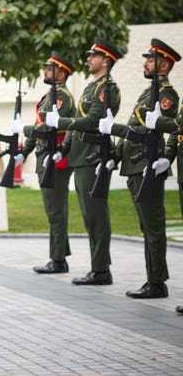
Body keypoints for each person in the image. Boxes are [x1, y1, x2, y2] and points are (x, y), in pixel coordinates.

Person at [101, 38, 180, 299]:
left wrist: (115, 128)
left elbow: (149, 130)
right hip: (135, 164)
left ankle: (157, 282)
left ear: (164, 64)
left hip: (148, 164)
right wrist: (117, 154)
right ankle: (152, 279)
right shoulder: (148, 93)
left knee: (153, 226)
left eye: (150, 59)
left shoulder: (167, 94)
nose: (145, 63)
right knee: (146, 226)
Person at [45, 37, 124, 286]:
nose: (89, 59)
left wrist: (62, 123)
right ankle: (97, 267)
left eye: (94, 56)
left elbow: (92, 121)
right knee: (89, 216)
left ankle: (101, 269)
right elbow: (81, 118)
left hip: (94, 156)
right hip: (80, 156)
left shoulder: (108, 88)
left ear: (106, 61)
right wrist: (65, 148)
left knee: (96, 216)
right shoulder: (92, 87)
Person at [11, 52, 76, 274]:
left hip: (55, 158)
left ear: (61, 72)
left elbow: (50, 128)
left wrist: (25, 131)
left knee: (56, 210)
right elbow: (38, 126)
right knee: (53, 210)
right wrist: (25, 152)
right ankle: (59, 256)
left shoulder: (63, 97)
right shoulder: (49, 96)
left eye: (50, 68)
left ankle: (58, 260)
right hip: (43, 156)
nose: (45, 72)